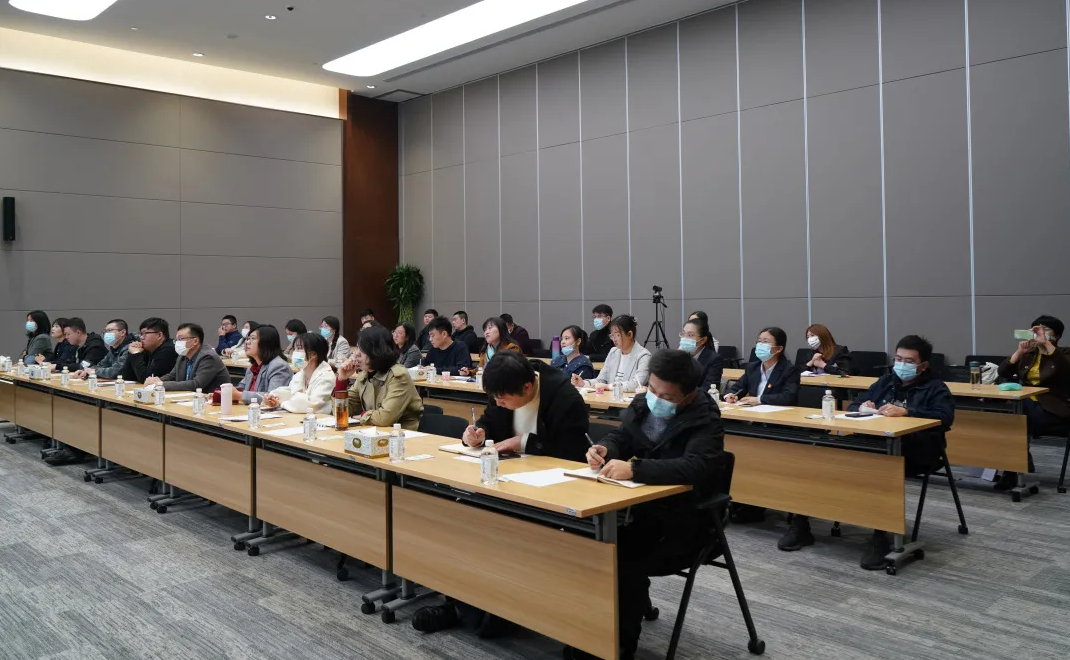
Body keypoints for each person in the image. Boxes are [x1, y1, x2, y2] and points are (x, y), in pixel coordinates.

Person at [412, 350, 590, 636]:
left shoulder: (564, 397)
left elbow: (572, 452)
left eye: (504, 399)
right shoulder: (504, 386)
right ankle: (469, 606)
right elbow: (490, 420)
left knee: (504, 534)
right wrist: (476, 434)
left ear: (528, 387)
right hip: (505, 483)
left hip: (552, 491)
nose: (498, 403)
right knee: (460, 518)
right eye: (494, 398)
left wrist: (524, 442)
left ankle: (485, 613)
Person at [569, 350, 725, 660]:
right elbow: (622, 436)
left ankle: (618, 646)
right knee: (583, 543)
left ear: (689, 395)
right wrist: (605, 448)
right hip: (639, 512)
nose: (656, 399)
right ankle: (585, 633)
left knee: (618, 557)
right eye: (652, 389)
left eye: (666, 396)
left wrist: (635, 469)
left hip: (686, 521)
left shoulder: (705, 419)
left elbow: (695, 467)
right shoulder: (644, 403)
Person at [779, 335, 954, 570]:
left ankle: (881, 537)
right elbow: (854, 404)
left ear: (923, 365)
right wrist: (862, 407)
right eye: (898, 359)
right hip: (873, 443)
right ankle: (801, 525)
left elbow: (945, 417)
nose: (901, 364)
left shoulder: (935, 387)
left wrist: (908, 411)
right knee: (819, 455)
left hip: (916, 450)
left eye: (909, 361)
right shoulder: (886, 381)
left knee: (878, 468)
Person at [996, 315, 1070, 489]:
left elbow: (1066, 371)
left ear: (1056, 335)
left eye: (1044, 330)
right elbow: (1003, 371)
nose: (1039, 333)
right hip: (1027, 407)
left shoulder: (1064, 353)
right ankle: (1013, 468)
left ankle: (1011, 471)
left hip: (1053, 410)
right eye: (1036, 330)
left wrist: (1047, 346)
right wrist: (1019, 352)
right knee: (1010, 412)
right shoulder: (1029, 355)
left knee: (1016, 412)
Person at [336, 326, 423, 429]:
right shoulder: (365, 374)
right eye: (357, 347)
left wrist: (363, 415)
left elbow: (384, 418)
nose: (356, 354)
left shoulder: (399, 376)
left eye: (362, 349)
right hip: (373, 432)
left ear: (376, 351)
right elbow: (340, 411)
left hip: (402, 434)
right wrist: (341, 380)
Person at [573, 315, 651, 392]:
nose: (614, 339)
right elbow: (601, 379)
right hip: (610, 397)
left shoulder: (644, 355)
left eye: (617, 335)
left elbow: (636, 384)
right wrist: (584, 383)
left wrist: (608, 386)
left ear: (630, 334)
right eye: (612, 336)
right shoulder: (613, 352)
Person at [724, 327, 800, 406]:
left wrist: (759, 399)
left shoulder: (790, 370)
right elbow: (736, 388)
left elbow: (788, 397)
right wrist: (730, 395)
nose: (760, 345)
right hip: (753, 411)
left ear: (779, 348)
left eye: (765, 341)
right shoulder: (752, 367)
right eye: (759, 341)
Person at [146, 323, 230, 393]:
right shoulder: (183, 355)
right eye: (176, 340)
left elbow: (196, 384)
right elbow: (172, 376)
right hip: (189, 399)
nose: (177, 343)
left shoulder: (208, 357)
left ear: (195, 341)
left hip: (213, 402)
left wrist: (161, 384)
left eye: (181, 339)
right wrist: (157, 380)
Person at [266, 332, 335, 413]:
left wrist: (282, 402)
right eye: (294, 349)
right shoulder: (300, 374)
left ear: (313, 354)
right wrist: (273, 396)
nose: (295, 352)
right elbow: (291, 393)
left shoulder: (326, 377)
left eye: (299, 348)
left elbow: (311, 405)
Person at [233, 325, 292, 404]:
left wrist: (239, 396)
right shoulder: (252, 367)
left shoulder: (279, 366)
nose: (247, 342)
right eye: (248, 338)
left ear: (266, 343)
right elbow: (241, 388)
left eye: (253, 338)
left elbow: (272, 398)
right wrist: (225, 392)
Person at [122, 317, 178, 383]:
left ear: (159, 335)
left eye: (145, 333)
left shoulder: (168, 350)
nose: (141, 337)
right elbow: (125, 376)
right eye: (141, 334)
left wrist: (136, 354)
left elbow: (146, 379)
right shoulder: (149, 349)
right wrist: (132, 353)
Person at [680, 316, 724, 393]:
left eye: (690, 335)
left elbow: (708, 389)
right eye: (683, 334)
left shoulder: (714, 359)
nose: (685, 338)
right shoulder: (680, 356)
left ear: (703, 340)